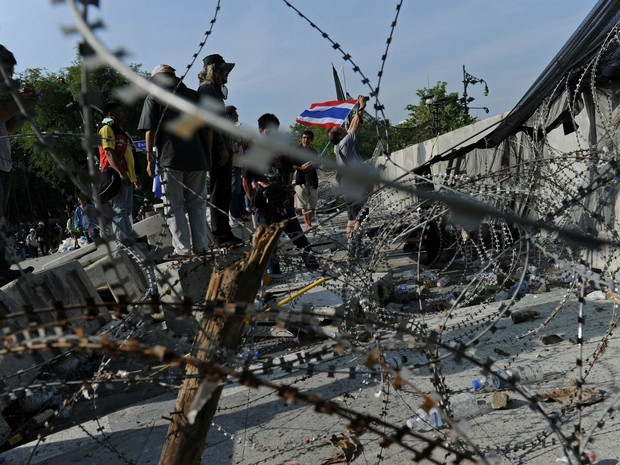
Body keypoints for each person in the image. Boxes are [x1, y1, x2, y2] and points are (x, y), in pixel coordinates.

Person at [138, 64, 210, 260]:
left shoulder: (154, 97)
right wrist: (207, 155)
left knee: (174, 205)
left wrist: (149, 158)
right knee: (197, 204)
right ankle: (201, 247)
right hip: (198, 159)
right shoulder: (194, 97)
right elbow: (208, 129)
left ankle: (183, 250)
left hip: (171, 159)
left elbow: (149, 130)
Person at [242, 113, 318, 274]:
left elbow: (288, 172)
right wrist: (254, 203)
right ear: (261, 131)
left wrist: (287, 192)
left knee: (297, 235)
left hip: (283, 202)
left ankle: (313, 266)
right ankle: (274, 273)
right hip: (264, 204)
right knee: (269, 243)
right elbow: (245, 180)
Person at [197, 54, 242, 247]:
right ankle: (220, 234)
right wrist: (221, 148)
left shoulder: (213, 90)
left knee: (224, 192)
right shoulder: (207, 89)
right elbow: (211, 122)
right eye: (225, 71)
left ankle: (225, 231)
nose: (227, 76)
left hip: (223, 147)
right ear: (215, 71)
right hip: (218, 150)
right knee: (218, 192)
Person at [0, 44, 36, 284]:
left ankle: (3, 269)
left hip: (3, 165)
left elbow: (9, 127)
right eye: (7, 70)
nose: (10, 77)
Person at [327, 95, 369, 240]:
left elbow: (351, 127)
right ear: (339, 135)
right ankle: (357, 242)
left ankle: (351, 242)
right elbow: (355, 124)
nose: (343, 127)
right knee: (360, 215)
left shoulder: (339, 146)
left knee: (351, 216)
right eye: (339, 128)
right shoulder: (345, 142)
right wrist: (362, 107)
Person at [98, 101, 141, 240]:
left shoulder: (120, 130)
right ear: (111, 114)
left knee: (127, 210)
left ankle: (130, 239)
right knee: (120, 210)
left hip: (127, 175)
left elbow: (129, 153)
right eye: (120, 111)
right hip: (117, 175)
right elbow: (109, 153)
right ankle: (123, 242)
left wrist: (135, 177)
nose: (123, 114)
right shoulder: (106, 128)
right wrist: (121, 173)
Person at [292, 129, 319, 231]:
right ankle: (307, 225)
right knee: (304, 204)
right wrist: (302, 168)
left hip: (312, 180)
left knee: (311, 204)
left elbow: (317, 165)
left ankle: (310, 223)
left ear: (311, 139)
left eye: (308, 138)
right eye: (304, 137)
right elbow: (293, 165)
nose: (305, 140)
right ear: (301, 139)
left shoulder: (313, 152)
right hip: (301, 180)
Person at [225, 105, 247, 223]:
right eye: (235, 114)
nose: (237, 116)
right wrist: (239, 143)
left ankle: (240, 211)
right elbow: (230, 148)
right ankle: (235, 214)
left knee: (240, 190)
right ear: (230, 116)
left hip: (239, 164)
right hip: (233, 163)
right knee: (235, 190)